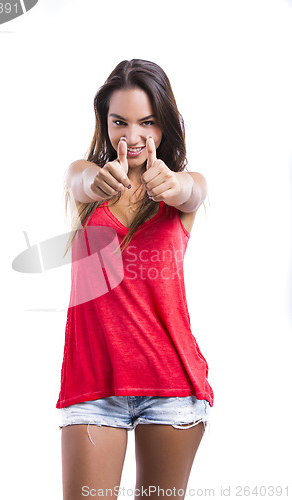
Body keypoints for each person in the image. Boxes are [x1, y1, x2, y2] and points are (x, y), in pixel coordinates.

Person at [56, 59, 214, 500]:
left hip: (171, 387)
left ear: (164, 125)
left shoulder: (183, 189)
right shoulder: (85, 178)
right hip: (92, 387)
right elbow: (80, 181)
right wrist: (98, 179)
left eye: (147, 122)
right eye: (119, 122)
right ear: (104, 123)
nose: (133, 136)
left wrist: (176, 186)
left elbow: (195, 191)